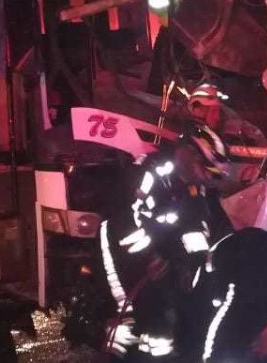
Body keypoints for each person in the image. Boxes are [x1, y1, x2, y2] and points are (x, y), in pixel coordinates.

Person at [99, 84, 237, 360]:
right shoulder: (151, 172)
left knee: (164, 322)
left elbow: (196, 231)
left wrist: (200, 267)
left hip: (160, 254)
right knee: (129, 319)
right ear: (191, 156)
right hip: (121, 249)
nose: (209, 180)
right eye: (207, 171)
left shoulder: (193, 189)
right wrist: (149, 258)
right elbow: (122, 221)